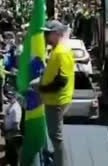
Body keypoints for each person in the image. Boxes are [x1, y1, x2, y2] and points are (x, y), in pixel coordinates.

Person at [38, 20, 75, 166]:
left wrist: (42, 89)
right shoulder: (58, 49)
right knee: (55, 136)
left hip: (56, 101)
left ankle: (59, 163)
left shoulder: (61, 51)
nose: (44, 36)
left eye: (47, 33)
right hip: (55, 99)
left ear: (55, 33)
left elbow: (61, 82)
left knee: (56, 137)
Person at [4, 92, 22, 166]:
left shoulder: (16, 108)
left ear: (15, 98)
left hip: (12, 132)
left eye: (10, 98)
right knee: (9, 150)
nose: (9, 99)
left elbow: (16, 123)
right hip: (8, 131)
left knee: (13, 153)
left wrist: (11, 134)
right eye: (8, 98)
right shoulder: (11, 105)